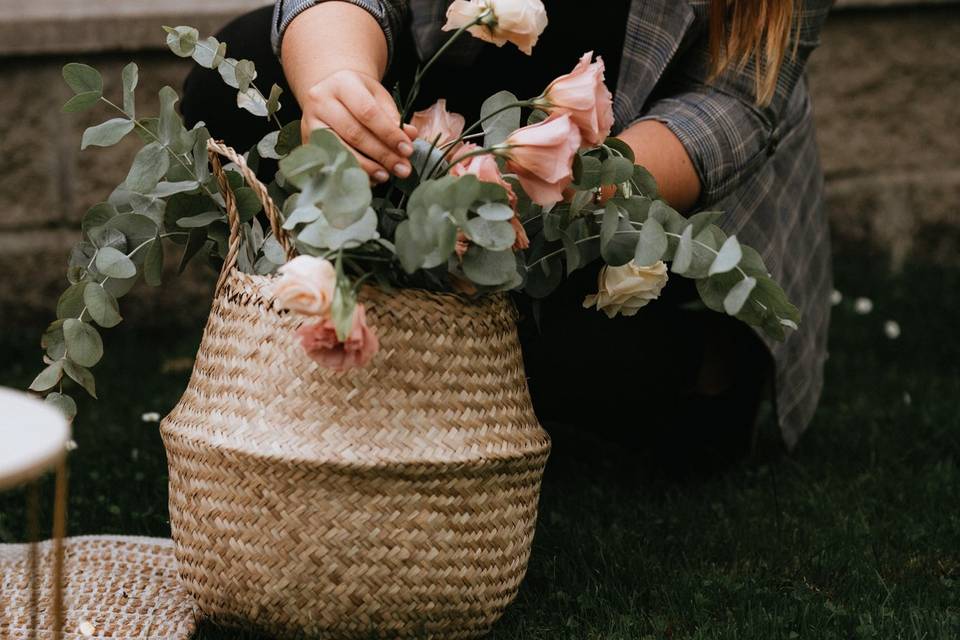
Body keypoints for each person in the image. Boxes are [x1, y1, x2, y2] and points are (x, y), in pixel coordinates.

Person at [181, 0, 833, 469]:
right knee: (234, 80)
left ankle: (694, 368)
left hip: (637, 186)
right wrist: (338, 86)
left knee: (599, 371)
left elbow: (731, 104)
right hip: (438, 115)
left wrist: (547, 190)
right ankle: (365, 326)